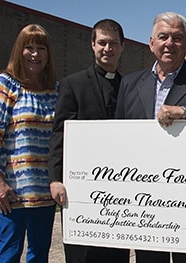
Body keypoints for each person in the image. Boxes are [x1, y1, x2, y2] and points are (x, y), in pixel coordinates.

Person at [115, 11, 186, 263]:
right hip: (143, 194)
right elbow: (119, 137)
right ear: (151, 43)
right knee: (148, 258)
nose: (169, 43)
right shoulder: (130, 84)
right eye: (163, 36)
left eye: (177, 38)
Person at [0, 24, 58, 263]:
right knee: (9, 254)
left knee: (39, 255)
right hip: (12, 193)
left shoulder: (56, 91)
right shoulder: (4, 85)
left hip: (45, 192)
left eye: (40, 48)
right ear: (18, 50)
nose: (35, 53)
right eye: (28, 47)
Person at [48, 19, 129, 262]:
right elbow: (59, 132)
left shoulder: (129, 86)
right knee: (80, 255)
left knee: (116, 254)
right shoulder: (73, 84)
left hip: (119, 190)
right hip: (80, 189)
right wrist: (55, 178)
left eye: (113, 43)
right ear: (93, 45)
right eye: (102, 43)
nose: (108, 49)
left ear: (122, 46)